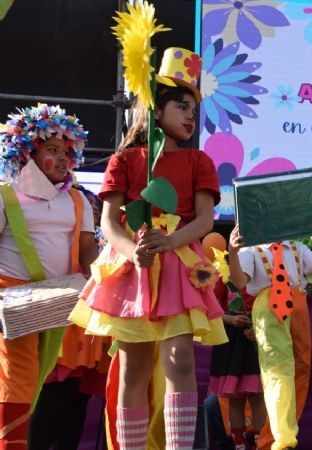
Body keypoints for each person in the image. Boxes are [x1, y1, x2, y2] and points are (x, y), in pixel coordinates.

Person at [69, 48, 227, 450]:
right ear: (156, 111)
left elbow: (205, 220)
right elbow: (108, 221)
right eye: (181, 106)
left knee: (180, 360)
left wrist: (171, 242)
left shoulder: (199, 161)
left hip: (177, 265)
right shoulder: (124, 159)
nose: (191, 116)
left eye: (194, 108)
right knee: (133, 368)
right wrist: (131, 251)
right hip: (132, 267)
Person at [0, 103, 98, 449]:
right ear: (27, 152)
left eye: (66, 151)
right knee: (20, 378)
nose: (62, 158)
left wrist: (98, 281)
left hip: (62, 303)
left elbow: (88, 251)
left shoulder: (77, 200)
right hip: (15, 300)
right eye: (51, 150)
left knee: (51, 381)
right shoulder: (5, 196)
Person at [228, 227, 312, 450]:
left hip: (298, 304)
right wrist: (232, 253)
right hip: (268, 304)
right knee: (278, 368)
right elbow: (239, 282)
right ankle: (282, 439)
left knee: (300, 368)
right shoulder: (250, 249)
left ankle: (279, 435)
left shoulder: (295, 246)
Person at [208, 278, 266, 450]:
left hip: (258, 333)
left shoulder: (262, 263)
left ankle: (261, 444)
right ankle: (239, 445)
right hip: (231, 341)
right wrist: (230, 320)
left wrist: (260, 327)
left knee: (258, 395)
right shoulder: (222, 272)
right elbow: (209, 308)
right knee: (235, 398)